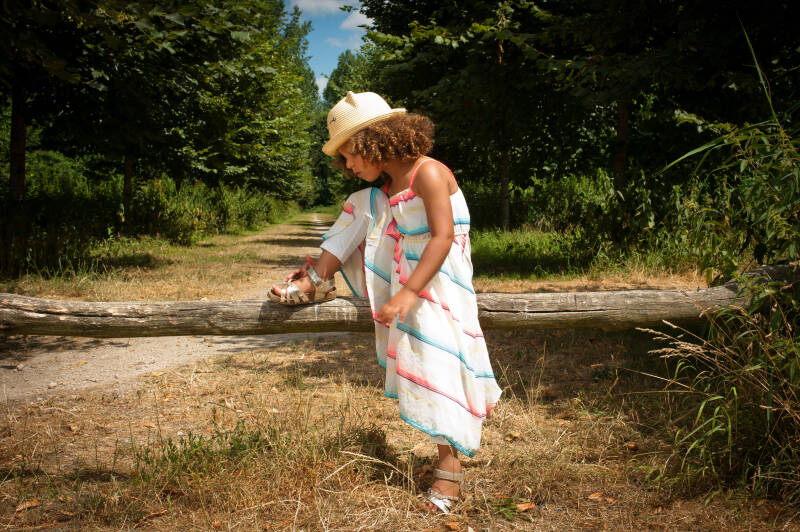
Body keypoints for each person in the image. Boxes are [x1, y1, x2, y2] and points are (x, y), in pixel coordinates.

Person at [269, 91, 502, 513]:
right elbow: (369, 226)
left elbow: (443, 238)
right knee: (360, 204)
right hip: (403, 271)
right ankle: (317, 279)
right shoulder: (386, 190)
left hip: (438, 282)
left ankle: (449, 469)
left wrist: (409, 292)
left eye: (350, 155)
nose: (348, 166)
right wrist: (321, 263)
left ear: (371, 140)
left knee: (435, 364)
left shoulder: (429, 174)